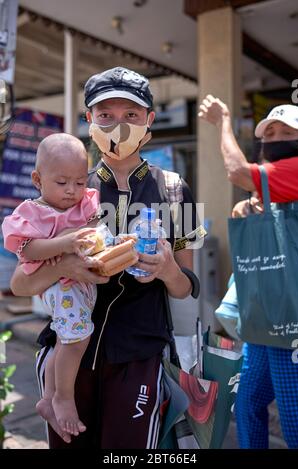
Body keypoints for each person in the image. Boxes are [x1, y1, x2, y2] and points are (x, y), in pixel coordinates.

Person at [10, 67, 202, 449]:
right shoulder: (69, 185)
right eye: (106, 115)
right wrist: (65, 265)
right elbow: (20, 283)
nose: (118, 125)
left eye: (131, 115)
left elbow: (187, 288)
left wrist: (166, 270)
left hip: (140, 355)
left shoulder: (176, 190)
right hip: (69, 358)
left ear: (149, 119)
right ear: (89, 120)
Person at [199, 96, 298, 449]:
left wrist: (224, 120)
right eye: (268, 132)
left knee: (295, 422)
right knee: (247, 403)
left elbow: (238, 173)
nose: (274, 137)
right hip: (262, 320)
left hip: (290, 323)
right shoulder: (276, 188)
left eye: (285, 131)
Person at [2, 133, 106, 443]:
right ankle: (63, 396)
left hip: (80, 285)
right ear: (37, 179)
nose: (72, 191)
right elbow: (27, 251)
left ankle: (48, 399)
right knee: (76, 339)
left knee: (67, 339)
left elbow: (95, 228)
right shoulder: (31, 213)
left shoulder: (83, 201)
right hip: (59, 285)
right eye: (62, 183)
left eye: (78, 181)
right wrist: (67, 242)